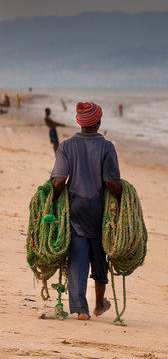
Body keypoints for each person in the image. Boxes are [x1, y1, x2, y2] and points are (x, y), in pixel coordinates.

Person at [51, 102, 122, 320]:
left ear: (79, 122)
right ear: (99, 122)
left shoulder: (66, 146)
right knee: (100, 258)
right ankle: (99, 304)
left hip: (76, 210)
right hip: (100, 212)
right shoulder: (107, 147)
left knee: (78, 258)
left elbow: (60, 180)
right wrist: (122, 199)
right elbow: (111, 181)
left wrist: (52, 202)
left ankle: (81, 309)